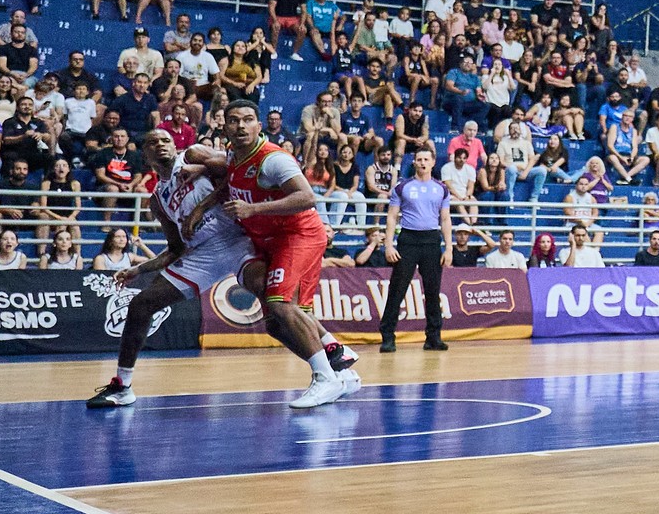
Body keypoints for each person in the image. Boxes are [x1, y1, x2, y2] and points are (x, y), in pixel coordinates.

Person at [87, 130, 359, 408]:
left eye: (166, 140)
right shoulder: (157, 199)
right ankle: (122, 386)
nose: (161, 145)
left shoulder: (193, 155)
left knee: (274, 304)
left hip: (237, 239)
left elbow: (236, 174)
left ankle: (334, 357)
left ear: (175, 145)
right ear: (145, 154)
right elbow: (176, 248)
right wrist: (140, 269)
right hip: (203, 254)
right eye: (153, 142)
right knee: (142, 304)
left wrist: (199, 209)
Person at [201, 102, 347, 406]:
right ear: (224, 127)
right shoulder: (233, 155)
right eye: (233, 121)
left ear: (259, 126)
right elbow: (223, 178)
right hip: (276, 237)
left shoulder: (273, 159)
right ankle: (340, 367)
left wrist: (253, 209)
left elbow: (307, 197)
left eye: (248, 120)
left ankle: (326, 378)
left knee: (279, 304)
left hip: (298, 235)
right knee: (277, 322)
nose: (240, 126)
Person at [379, 147, 452, 354]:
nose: (422, 162)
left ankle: (433, 337)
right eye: (418, 159)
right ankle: (387, 336)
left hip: (431, 240)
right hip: (408, 240)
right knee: (397, 289)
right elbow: (392, 216)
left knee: (432, 290)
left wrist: (449, 248)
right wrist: (389, 244)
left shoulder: (441, 188)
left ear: (432, 162)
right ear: (414, 162)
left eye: (426, 159)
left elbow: (445, 219)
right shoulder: (402, 187)